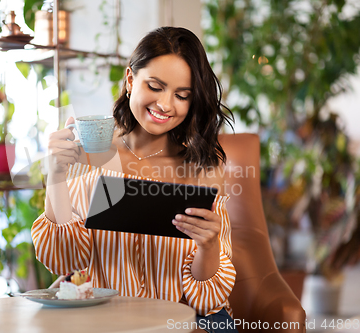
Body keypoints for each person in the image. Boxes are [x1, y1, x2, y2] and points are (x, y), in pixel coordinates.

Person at [31, 26, 238, 333]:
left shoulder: (201, 168)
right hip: (107, 323)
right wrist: (57, 175)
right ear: (130, 80)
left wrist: (209, 246)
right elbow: (66, 260)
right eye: (155, 86)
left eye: (182, 95)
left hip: (187, 323)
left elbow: (207, 300)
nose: (166, 105)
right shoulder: (86, 156)